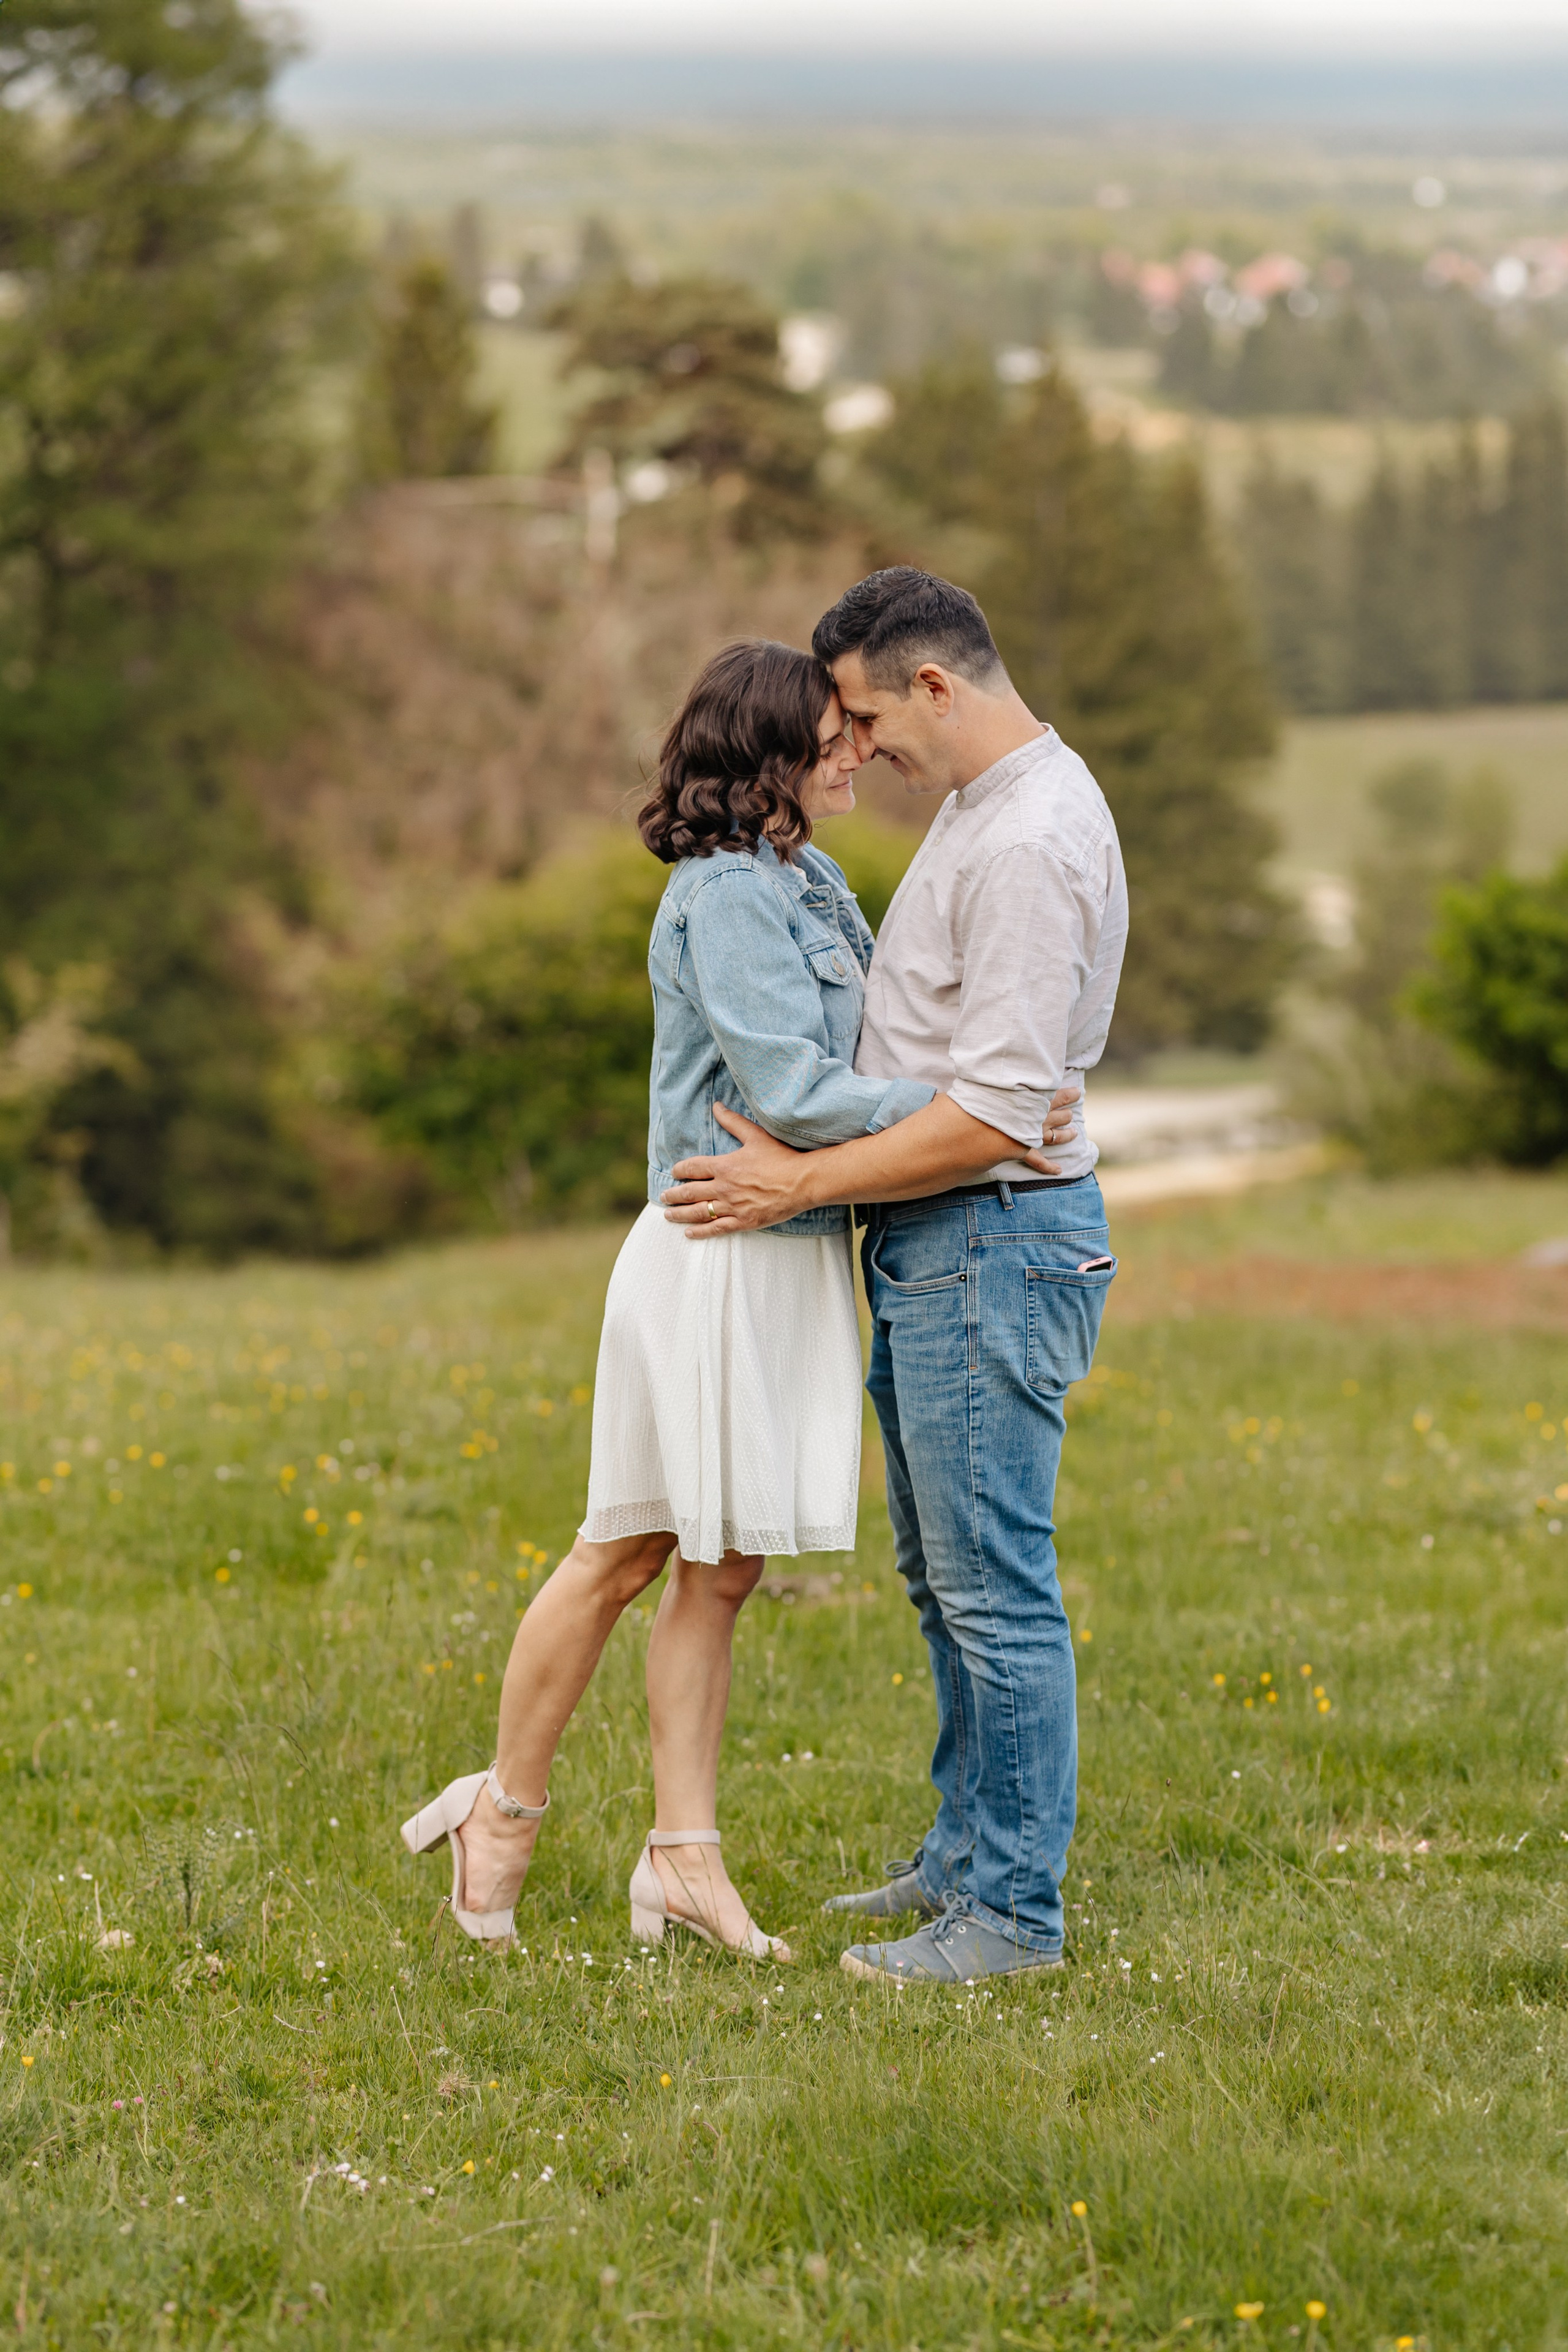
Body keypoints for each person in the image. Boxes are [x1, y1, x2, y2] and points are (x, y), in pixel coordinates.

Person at [399, 635, 1077, 1962]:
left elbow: (864, 1045)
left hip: (784, 1250)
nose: (854, 750)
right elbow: (792, 1093)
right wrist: (978, 1115)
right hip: (715, 1252)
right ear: (767, 750)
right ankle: (504, 1817)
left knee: (719, 1569)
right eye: (830, 732)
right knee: (629, 1546)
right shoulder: (723, 897)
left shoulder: (804, 881)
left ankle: (681, 1860)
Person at [661, 569, 1128, 1983]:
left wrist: (795, 1180)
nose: (853, 751)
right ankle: (962, 1859)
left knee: (991, 1586)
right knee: (945, 1581)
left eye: (865, 718)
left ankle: (1009, 1919)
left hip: (988, 1233)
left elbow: (994, 1116)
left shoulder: (1031, 840)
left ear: (935, 685)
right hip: (940, 1235)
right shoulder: (982, 814)